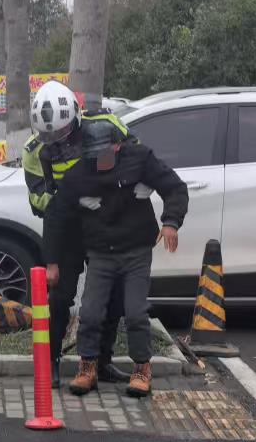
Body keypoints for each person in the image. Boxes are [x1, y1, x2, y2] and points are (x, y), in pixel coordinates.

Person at [43, 118, 188, 398]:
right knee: (90, 312)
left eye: (104, 154)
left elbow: (175, 188)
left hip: (136, 251)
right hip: (101, 252)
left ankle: (142, 369)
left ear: (117, 146)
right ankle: (88, 367)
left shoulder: (140, 159)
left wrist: (171, 222)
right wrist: (52, 262)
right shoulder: (79, 173)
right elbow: (55, 215)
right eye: (93, 155)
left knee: (135, 312)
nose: (99, 161)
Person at [22, 80, 134, 388]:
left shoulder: (106, 124)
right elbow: (37, 199)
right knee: (59, 298)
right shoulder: (34, 150)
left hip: (105, 224)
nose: (57, 140)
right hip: (66, 228)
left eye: (62, 132)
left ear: (75, 116)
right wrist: (70, 199)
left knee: (113, 294)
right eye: (49, 135)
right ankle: (52, 362)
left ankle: (102, 361)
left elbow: (136, 157)